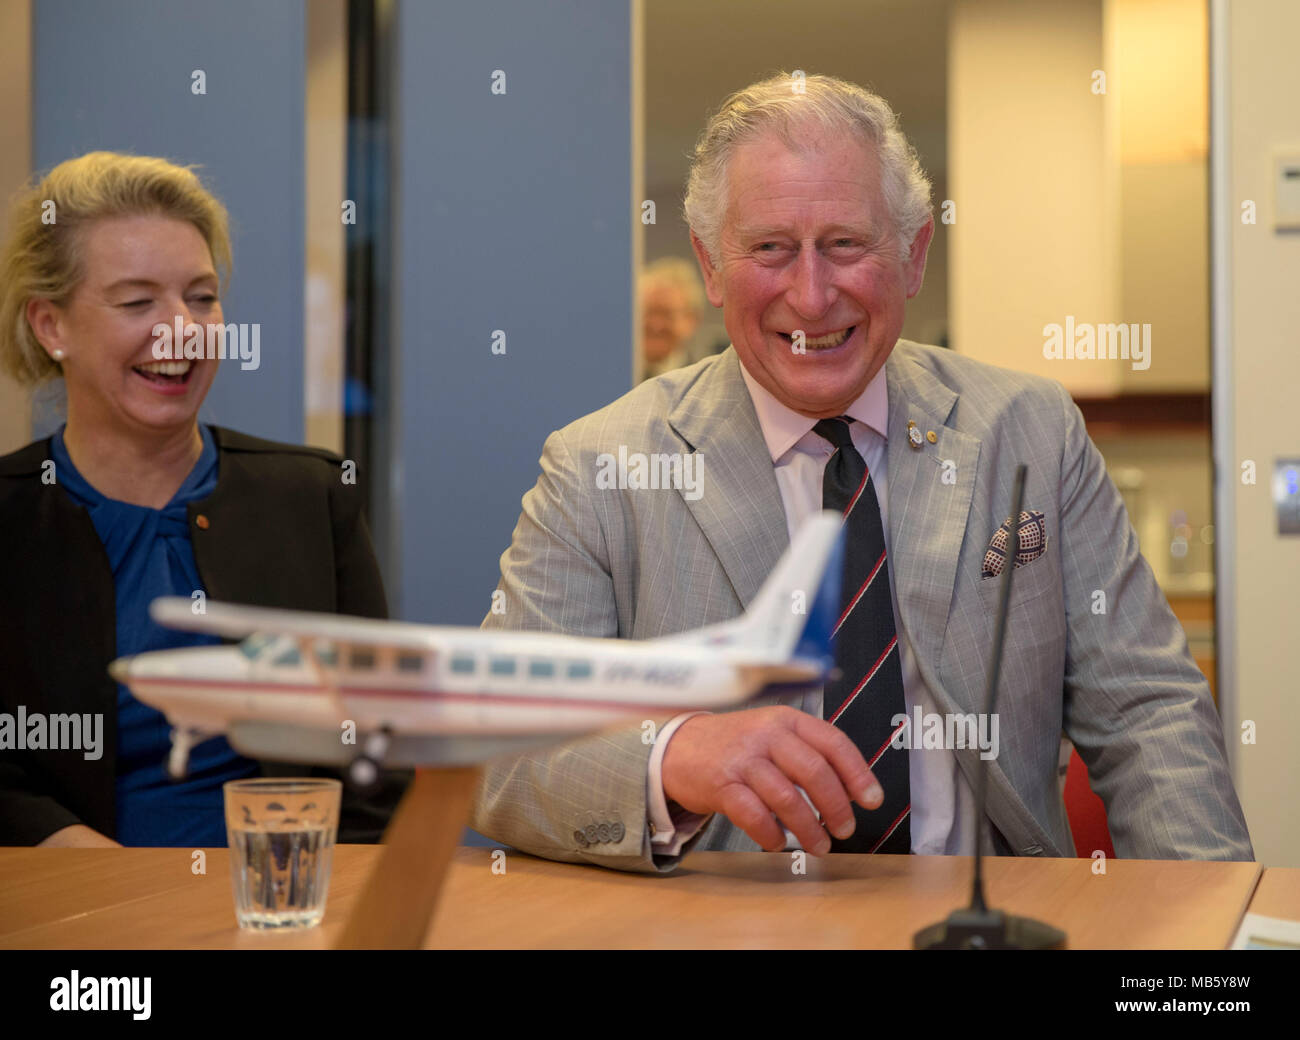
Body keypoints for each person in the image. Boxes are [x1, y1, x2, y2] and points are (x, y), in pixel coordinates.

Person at [471, 73, 1252, 871]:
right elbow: (500, 755)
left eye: (846, 245)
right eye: (771, 249)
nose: (811, 296)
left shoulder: (1033, 433)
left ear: (913, 256)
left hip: (983, 918)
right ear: (711, 266)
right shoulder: (599, 466)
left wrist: (1215, 946)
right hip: (721, 927)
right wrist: (670, 754)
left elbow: (1150, 714)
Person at [0, 151, 407, 847]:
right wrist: (79, 865)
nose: (181, 329)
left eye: (201, 296)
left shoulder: (312, 496)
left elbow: (378, 759)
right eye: (137, 302)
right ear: (51, 326)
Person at [639, 257, 705, 380]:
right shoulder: (610, 380)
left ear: (692, 320)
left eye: (666, 314)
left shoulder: (704, 385)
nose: (655, 325)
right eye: (648, 312)